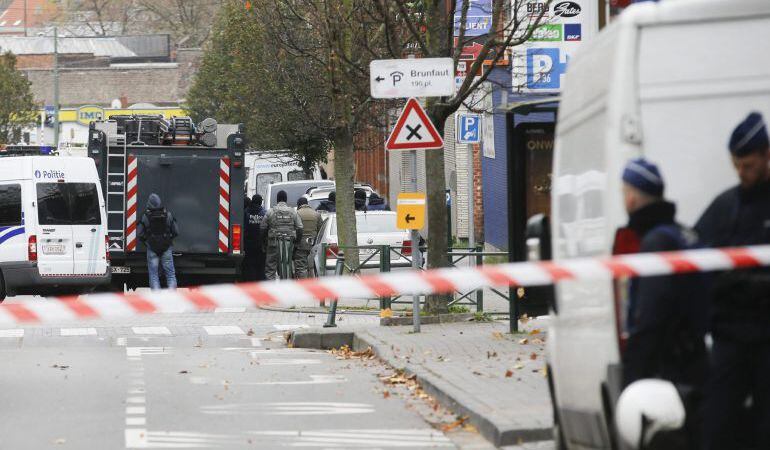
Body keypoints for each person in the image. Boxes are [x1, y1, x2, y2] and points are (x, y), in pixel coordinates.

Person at [618, 159, 707, 449]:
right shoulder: (684, 234)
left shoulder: (657, 242)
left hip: (669, 370)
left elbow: (652, 315)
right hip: (697, 362)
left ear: (631, 198)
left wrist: (633, 373)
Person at [696, 112, 770, 450]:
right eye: (737, 166)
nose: (742, 173)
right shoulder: (725, 207)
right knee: (716, 425)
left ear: (766, 155)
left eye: (749, 166)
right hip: (731, 338)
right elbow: (696, 258)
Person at [137, 193, 179, 290]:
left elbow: (140, 234)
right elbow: (176, 232)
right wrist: (168, 240)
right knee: (170, 275)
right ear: (159, 202)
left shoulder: (145, 216)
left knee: (153, 275)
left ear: (149, 203)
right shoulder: (168, 214)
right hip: (166, 248)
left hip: (152, 248)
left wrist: (147, 242)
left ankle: (157, 300)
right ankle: (173, 298)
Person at [260, 190, 302, 280]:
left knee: (270, 269)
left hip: (273, 244)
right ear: (286, 199)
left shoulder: (270, 212)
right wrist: (297, 242)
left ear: (277, 199)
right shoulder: (293, 212)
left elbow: (262, 228)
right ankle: (286, 289)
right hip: (288, 244)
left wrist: (263, 242)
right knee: (286, 266)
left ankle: (271, 290)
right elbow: (300, 228)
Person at [294, 197, 322, 278]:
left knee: (301, 267)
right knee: (313, 265)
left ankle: (305, 284)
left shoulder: (296, 214)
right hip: (314, 245)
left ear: (298, 205)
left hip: (300, 245)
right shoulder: (316, 214)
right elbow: (321, 229)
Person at [242, 195, 266, 281]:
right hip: (260, 245)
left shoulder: (246, 212)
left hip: (248, 245)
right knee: (260, 267)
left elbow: (243, 227)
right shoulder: (264, 213)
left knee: (249, 265)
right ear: (260, 202)